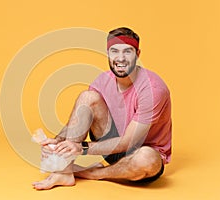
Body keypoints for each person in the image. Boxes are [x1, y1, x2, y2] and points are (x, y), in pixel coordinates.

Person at [32, 27, 172, 190]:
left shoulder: (153, 89)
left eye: (128, 51)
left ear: (138, 54)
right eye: (114, 51)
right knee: (88, 97)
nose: (120, 58)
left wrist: (81, 148)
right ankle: (64, 172)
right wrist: (58, 140)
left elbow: (128, 142)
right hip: (111, 149)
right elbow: (80, 119)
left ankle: (93, 173)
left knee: (146, 159)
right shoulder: (103, 80)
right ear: (108, 54)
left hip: (139, 154)